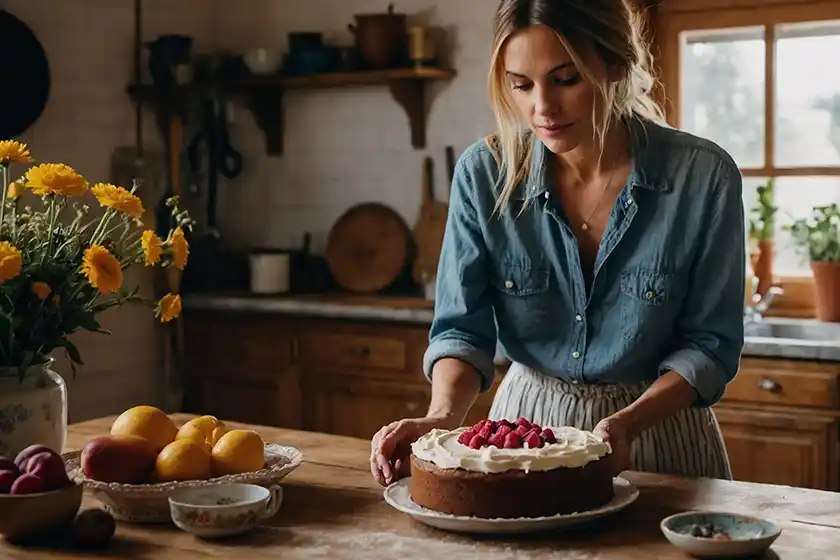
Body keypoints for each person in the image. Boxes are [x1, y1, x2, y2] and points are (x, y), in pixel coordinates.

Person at [371, 0, 745, 487]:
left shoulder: (703, 177)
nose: (542, 108)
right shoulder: (483, 175)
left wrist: (627, 423)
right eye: (521, 85)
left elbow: (709, 347)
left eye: (566, 79)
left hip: (658, 434)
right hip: (525, 432)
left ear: (615, 65)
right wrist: (442, 417)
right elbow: (462, 330)